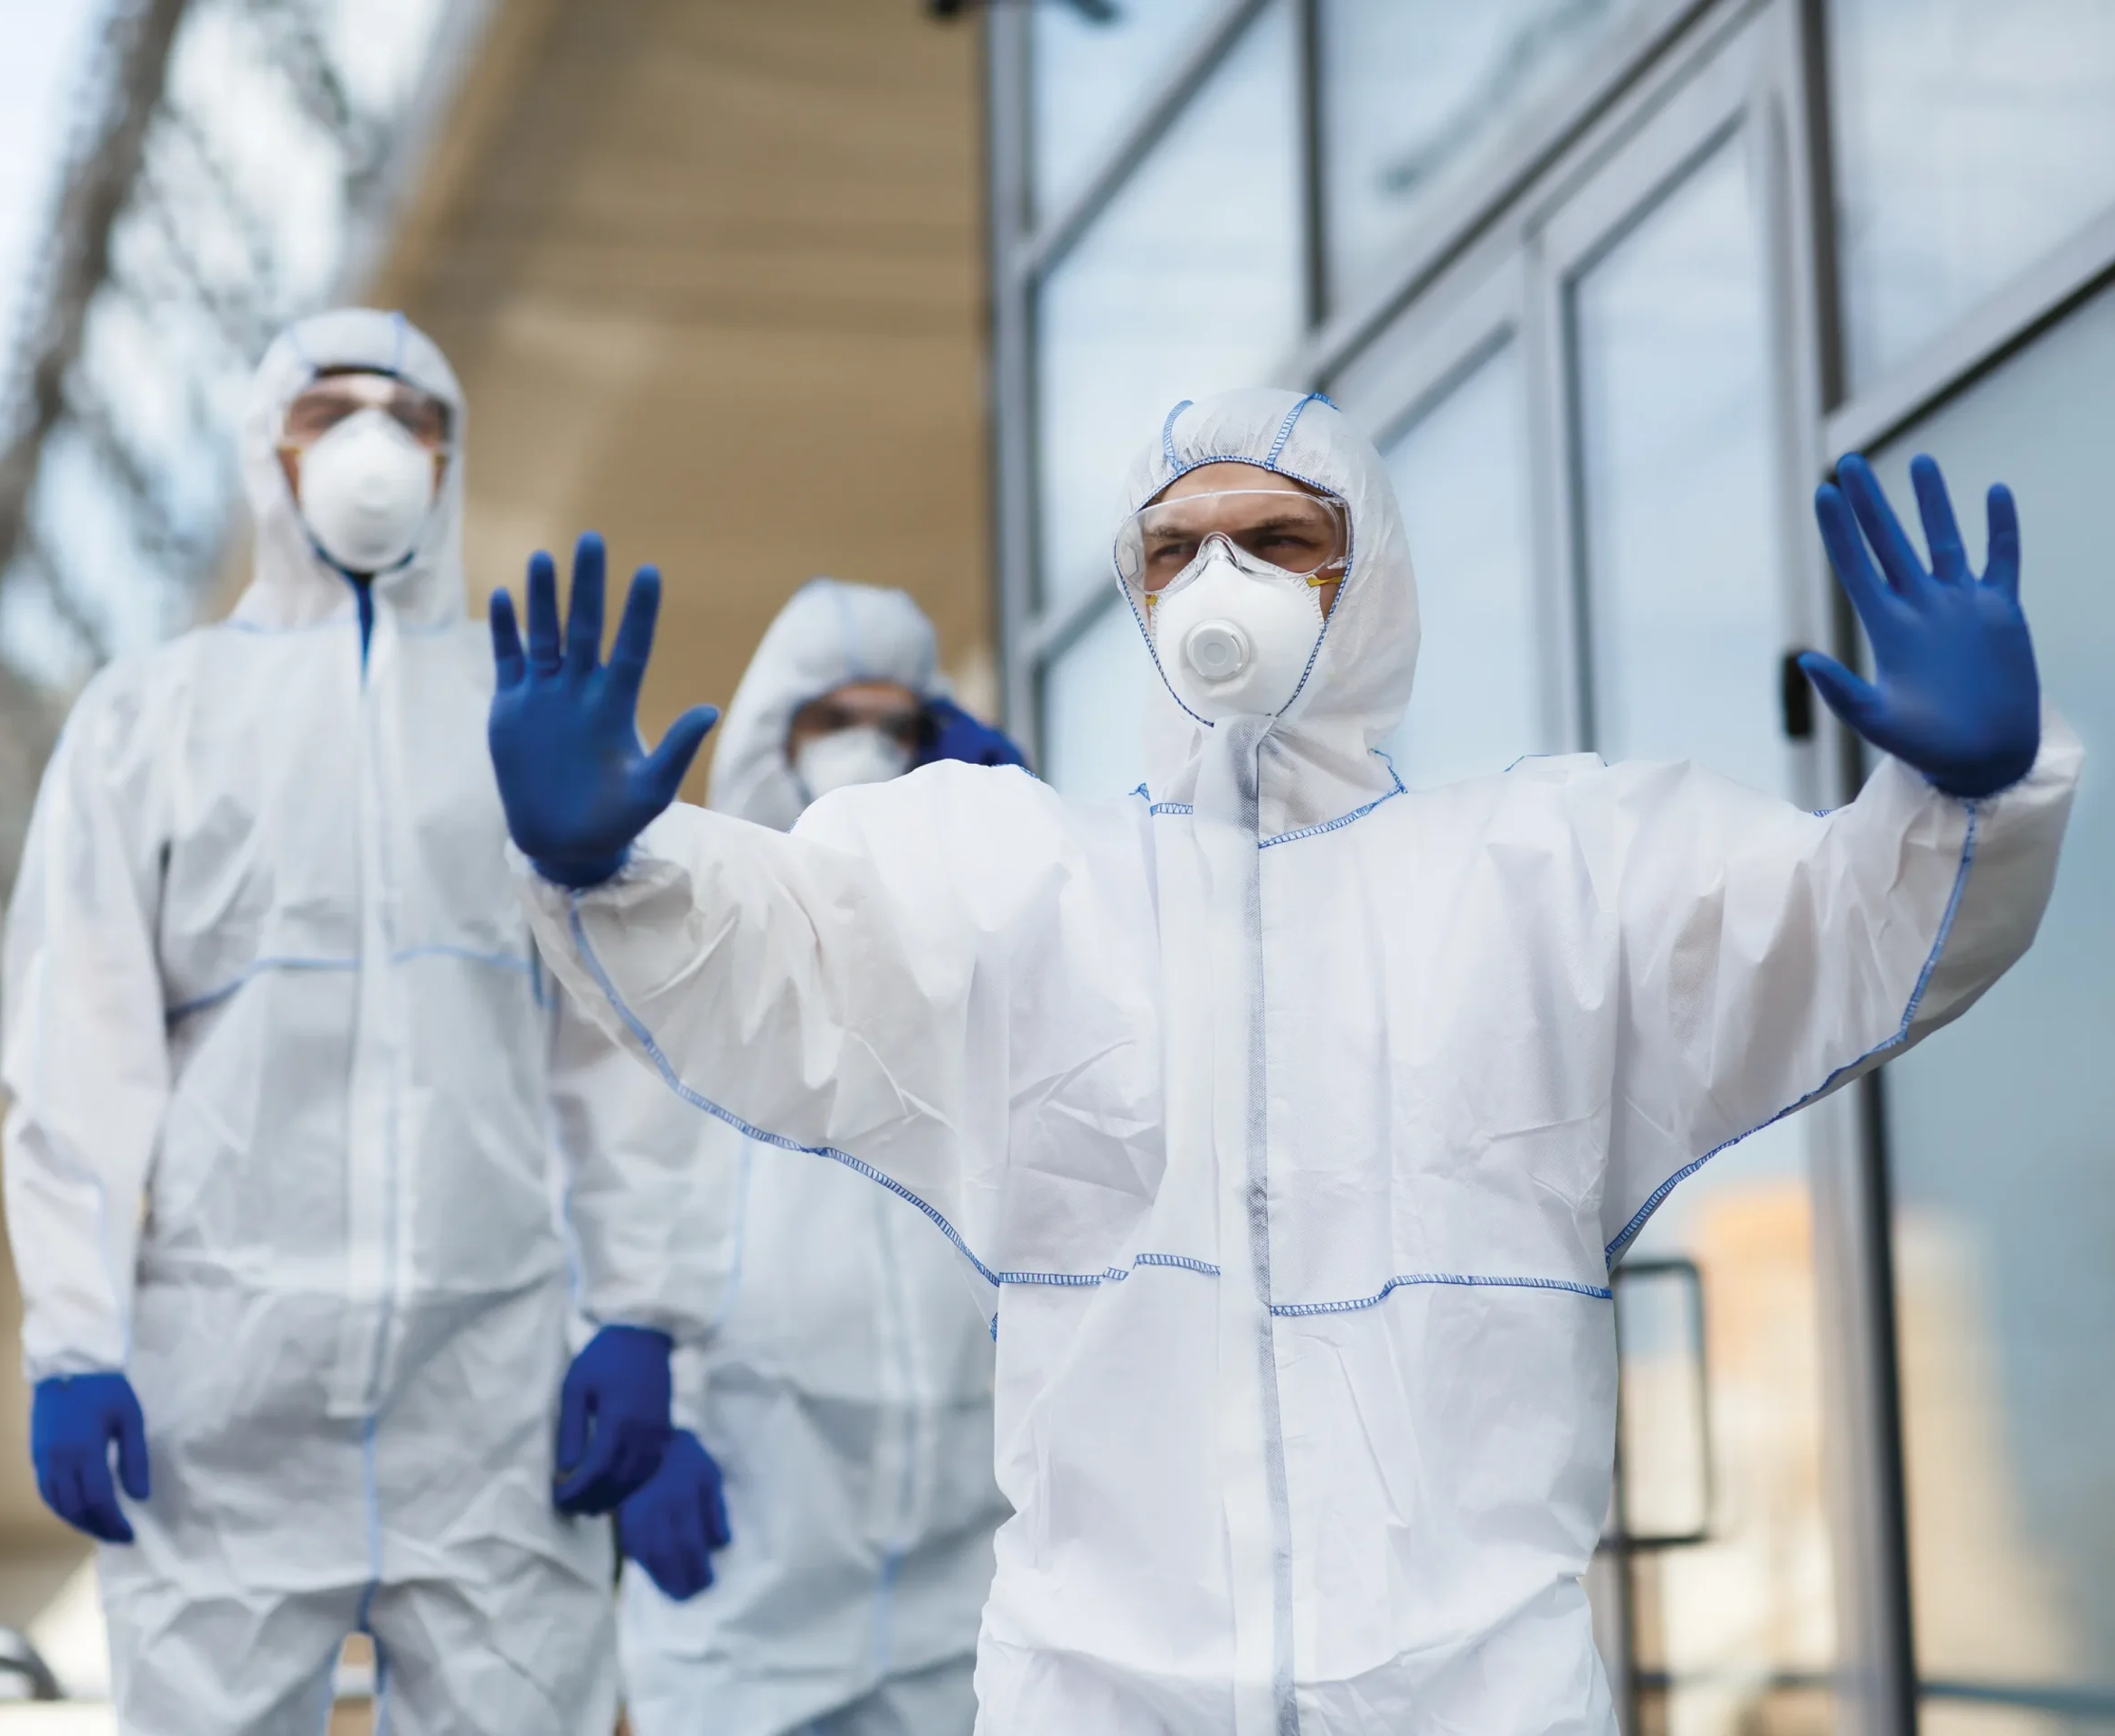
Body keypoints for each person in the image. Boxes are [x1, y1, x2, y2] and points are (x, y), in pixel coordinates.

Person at [485, 390, 2076, 1731]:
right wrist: (609, 875)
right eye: (1175, 549)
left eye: (1278, 540)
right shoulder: (1031, 887)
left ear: (1359, 578)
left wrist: (1958, 808)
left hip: (1473, 1694)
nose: (1218, 578)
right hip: (1100, 1692)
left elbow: (1816, 933)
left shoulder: (1546, 873)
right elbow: (788, 935)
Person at [0, 307, 703, 1735]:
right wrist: (74, 1341)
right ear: (272, 448)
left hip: (491, 1397)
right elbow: (80, 1051)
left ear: (449, 458)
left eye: (412, 415)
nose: (373, 444)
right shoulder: (154, 718)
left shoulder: (518, 713)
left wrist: (637, 1313)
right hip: (226, 1397)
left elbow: (617, 1048)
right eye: (331, 411)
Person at [611, 578, 1022, 1736]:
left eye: (898, 726)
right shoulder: (694, 941)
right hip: (755, 1540)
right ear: (768, 739)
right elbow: (601, 1182)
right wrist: (640, 1417)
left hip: (960, 1552)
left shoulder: (975, 955)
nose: (867, 749)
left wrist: (1037, 848)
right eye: (832, 720)